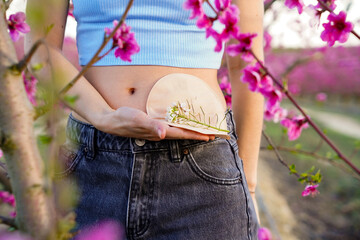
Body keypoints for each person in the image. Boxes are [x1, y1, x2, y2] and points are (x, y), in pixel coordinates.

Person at [26, 0, 264, 239]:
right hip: (92, 165)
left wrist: (250, 186)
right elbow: (40, 48)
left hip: (202, 171)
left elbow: (248, 66)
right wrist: (102, 115)